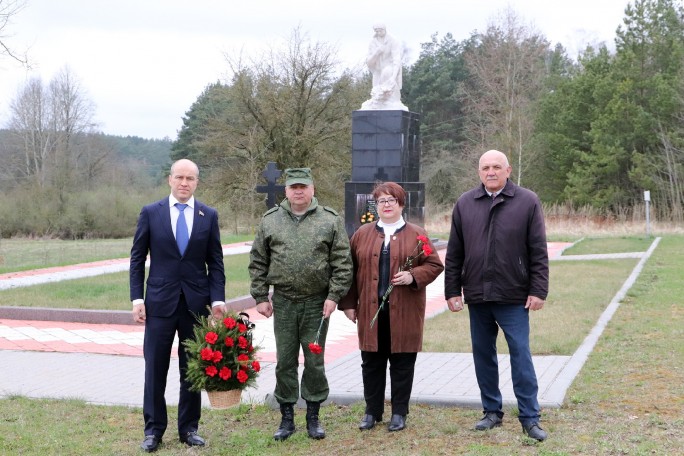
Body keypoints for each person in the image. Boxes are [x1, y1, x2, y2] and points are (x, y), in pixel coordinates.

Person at [444, 150, 549, 442]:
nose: (491, 172)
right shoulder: (466, 203)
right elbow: (455, 252)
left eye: (496, 167)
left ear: (508, 170)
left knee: (520, 355)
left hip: (513, 296)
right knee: (483, 355)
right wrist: (452, 290)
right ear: (479, 172)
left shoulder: (527, 201)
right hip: (477, 296)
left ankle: (530, 417)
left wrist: (538, 290)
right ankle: (491, 411)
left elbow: (538, 250)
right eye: (485, 168)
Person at [249, 167, 353, 441]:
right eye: (293, 186)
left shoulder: (329, 220)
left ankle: (313, 416)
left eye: (303, 186)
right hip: (283, 302)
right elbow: (258, 260)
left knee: (314, 360)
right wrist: (260, 297)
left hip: (317, 304)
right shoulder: (270, 220)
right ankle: (286, 418)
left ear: (312, 189)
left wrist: (333, 297)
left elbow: (342, 263)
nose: (298, 191)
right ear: (286, 191)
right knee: (285, 361)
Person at [130, 158, 226, 453]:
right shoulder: (151, 213)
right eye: (180, 177)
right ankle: (154, 430)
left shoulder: (208, 215)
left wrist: (218, 298)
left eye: (191, 178)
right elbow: (137, 259)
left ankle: (189, 428)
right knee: (155, 368)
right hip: (159, 303)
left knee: (192, 370)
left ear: (197, 182)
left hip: (195, 305)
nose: (185, 183)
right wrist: (137, 298)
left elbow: (216, 262)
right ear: (169, 179)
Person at [339, 182, 443, 432]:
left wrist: (413, 275)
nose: (386, 205)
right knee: (371, 363)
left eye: (391, 200)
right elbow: (349, 270)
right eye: (381, 201)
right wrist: (349, 303)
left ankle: (399, 413)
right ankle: (372, 412)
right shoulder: (362, 234)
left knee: (402, 363)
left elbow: (435, 265)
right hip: (370, 312)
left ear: (401, 204)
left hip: (405, 312)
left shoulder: (417, 234)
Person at [360, 23, 408, 111]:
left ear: (385, 29)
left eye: (380, 30)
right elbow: (369, 62)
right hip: (377, 71)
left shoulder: (393, 40)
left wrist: (393, 77)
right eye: (376, 31)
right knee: (376, 95)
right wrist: (376, 52)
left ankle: (392, 102)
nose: (379, 33)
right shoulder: (372, 42)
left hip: (390, 68)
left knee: (387, 79)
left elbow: (396, 60)